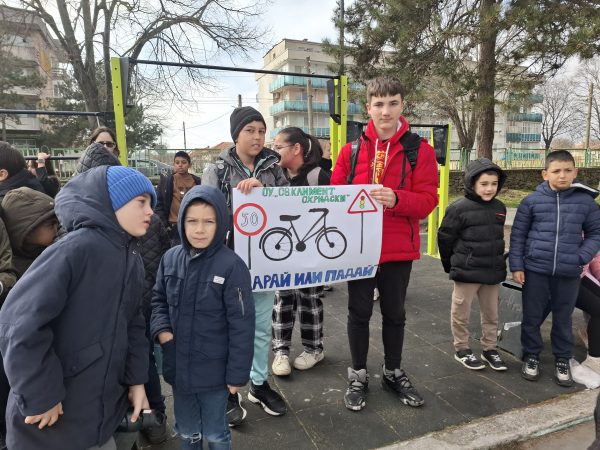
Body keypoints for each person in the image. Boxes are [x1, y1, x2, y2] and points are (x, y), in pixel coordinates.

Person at [0, 166, 156, 450]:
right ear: (112, 202)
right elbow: (18, 323)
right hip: (49, 424)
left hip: (99, 417)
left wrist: (137, 381)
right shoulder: (75, 250)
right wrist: (40, 395)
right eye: (141, 202)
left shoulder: (131, 257)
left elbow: (133, 323)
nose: (150, 212)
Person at [330, 75, 438, 411]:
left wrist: (397, 198)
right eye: (379, 104)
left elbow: (428, 201)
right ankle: (358, 375)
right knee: (358, 313)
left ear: (402, 105)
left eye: (392, 103)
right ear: (368, 107)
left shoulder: (420, 151)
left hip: (397, 249)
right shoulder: (351, 151)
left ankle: (393, 372)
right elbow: (333, 198)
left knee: (394, 314)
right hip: (359, 250)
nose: (385, 111)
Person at [74, 144, 171, 444]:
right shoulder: (76, 242)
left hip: (138, 310)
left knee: (143, 363)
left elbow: (162, 263)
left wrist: (151, 302)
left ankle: (153, 413)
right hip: (100, 327)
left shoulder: (146, 223)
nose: (147, 210)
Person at [202, 106, 289, 425]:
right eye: (250, 130)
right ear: (235, 135)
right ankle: (228, 390)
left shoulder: (273, 168)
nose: (257, 136)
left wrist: (264, 194)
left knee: (261, 326)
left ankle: (259, 384)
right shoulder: (217, 170)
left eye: (261, 131)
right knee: (226, 327)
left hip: (265, 263)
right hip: (228, 264)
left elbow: (290, 203)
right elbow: (205, 214)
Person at [151, 185, 255, 449]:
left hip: (215, 373)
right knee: (186, 430)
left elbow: (242, 325)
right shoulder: (170, 259)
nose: (199, 229)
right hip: (178, 367)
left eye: (209, 222)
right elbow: (158, 300)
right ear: (181, 222)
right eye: (192, 221)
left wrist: (237, 374)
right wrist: (163, 332)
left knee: (215, 432)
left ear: (221, 224)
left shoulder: (232, 266)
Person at [509, 150, 600, 387]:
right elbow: (518, 236)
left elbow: (595, 233)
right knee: (532, 317)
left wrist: (580, 256)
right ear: (545, 174)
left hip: (568, 273)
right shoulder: (531, 202)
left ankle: (562, 358)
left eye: (568, 170)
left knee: (563, 318)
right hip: (535, 270)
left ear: (575, 172)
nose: (562, 175)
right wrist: (517, 265)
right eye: (556, 171)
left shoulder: (585, 203)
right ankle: (531, 355)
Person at [437, 158, 508, 371]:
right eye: (484, 184)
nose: (489, 188)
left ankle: (489, 348)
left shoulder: (500, 207)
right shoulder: (458, 208)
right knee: (461, 313)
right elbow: (445, 238)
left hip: (491, 271)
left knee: (491, 314)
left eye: (494, 184)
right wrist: (451, 265)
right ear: (472, 183)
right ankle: (462, 348)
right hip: (467, 271)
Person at [270, 127, 330, 376]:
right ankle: (281, 352)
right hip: (283, 253)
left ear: (296, 149)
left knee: (310, 299)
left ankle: (314, 349)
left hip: (312, 253)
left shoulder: (318, 176)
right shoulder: (274, 176)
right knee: (283, 298)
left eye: (277, 147)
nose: (273, 152)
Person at [1, 187, 59, 277]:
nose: (57, 229)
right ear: (27, 230)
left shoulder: (47, 252)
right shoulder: (13, 271)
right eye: (51, 224)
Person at [155, 151, 201, 246]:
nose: (180, 165)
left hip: (193, 224)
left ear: (189, 165)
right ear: (174, 164)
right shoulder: (167, 181)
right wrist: (165, 225)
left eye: (184, 162)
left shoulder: (197, 181)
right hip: (174, 226)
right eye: (177, 162)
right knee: (176, 253)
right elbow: (158, 203)